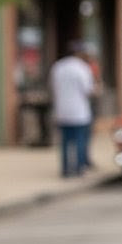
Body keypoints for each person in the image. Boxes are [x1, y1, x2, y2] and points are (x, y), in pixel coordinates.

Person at [48, 41, 95, 178]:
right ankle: (79, 167)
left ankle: (65, 169)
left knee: (64, 142)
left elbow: (53, 87)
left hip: (62, 110)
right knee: (80, 140)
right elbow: (88, 90)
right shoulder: (82, 68)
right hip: (79, 111)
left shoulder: (58, 66)